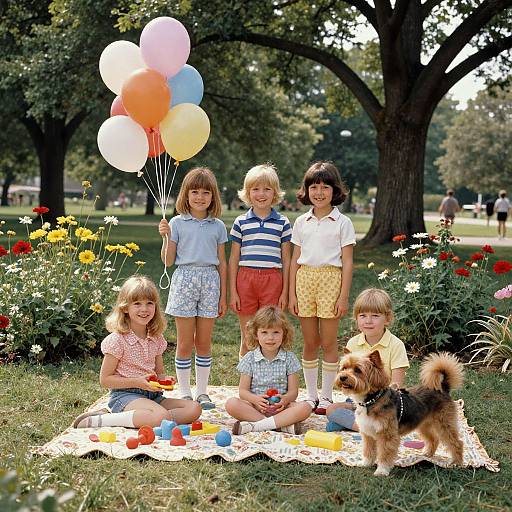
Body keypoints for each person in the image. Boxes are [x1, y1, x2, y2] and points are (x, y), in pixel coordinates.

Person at [73, 275, 201, 429]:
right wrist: (137, 382)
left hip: (153, 396)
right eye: (137, 304)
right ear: (125, 308)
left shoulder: (156, 338)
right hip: (125, 396)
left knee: (194, 408)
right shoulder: (117, 340)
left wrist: (165, 380)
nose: (144, 309)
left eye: (149, 303)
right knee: (161, 416)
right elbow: (105, 380)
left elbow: (159, 372)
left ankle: (156, 420)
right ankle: (105, 419)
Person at [288, 161, 356, 415]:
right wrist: (292, 292)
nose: (319, 192)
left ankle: (326, 396)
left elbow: (347, 262)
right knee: (309, 342)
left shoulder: (342, 222)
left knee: (328, 342)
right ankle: (311, 395)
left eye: (325, 187)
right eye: (314, 187)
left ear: (334, 190)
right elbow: (295, 260)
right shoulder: (301, 221)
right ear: (306, 190)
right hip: (305, 280)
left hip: (331, 280)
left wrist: (343, 296)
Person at [158, 167, 228, 410]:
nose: (200, 197)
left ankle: (202, 392)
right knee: (185, 342)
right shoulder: (177, 222)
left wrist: (223, 296)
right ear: (186, 195)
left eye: (206, 192)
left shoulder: (218, 226)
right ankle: (185, 392)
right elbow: (168, 261)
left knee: (205, 342)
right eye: (195, 191)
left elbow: (223, 262)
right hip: (184, 280)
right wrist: (166, 238)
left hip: (210, 282)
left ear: (213, 196)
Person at [229, 164, 292, 360]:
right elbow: (233, 259)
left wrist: (285, 292)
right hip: (245, 279)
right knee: (248, 334)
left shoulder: (283, 223)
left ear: (275, 192)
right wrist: (233, 291)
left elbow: (287, 260)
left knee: (271, 332)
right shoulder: (241, 222)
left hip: (273, 280)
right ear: (248, 193)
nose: (261, 194)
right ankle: (246, 380)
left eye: (267, 189)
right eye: (255, 189)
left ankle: (269, 377)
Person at [325, 288, 410, 432]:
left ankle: (364, 427)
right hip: (357, 400)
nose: (368, 321)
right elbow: (348, 379)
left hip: (385, 403)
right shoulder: (353, 343)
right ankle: (366, 427)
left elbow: (397, 385)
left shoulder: (396, 345)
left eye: (375, 315)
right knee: (331, 410)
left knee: (333, 426)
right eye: (363, 315)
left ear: (387, 318)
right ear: (356, 318)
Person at [225, 305, 313, 434]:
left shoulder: (290, 358)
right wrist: (255, 400)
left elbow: (293, 392)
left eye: (276, 332)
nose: (270, 338)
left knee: (305, 407)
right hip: (255, 408)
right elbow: (243, 391)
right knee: (231, 404)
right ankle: (280, 426)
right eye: (264, 332)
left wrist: (285, 399)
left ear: (284, 334)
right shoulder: (250, 358)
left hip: (282, 408)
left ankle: (258, 426)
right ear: (256, 334)